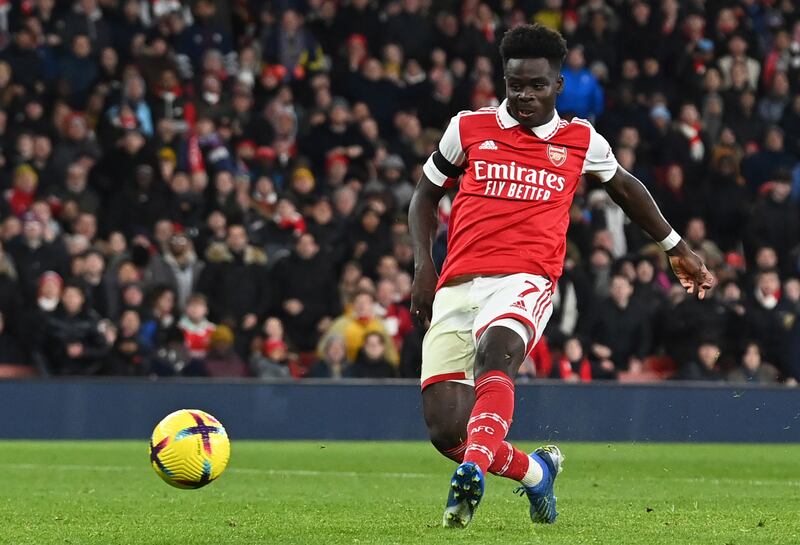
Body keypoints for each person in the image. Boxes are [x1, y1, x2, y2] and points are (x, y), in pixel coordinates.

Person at [408, 24, 714, 528]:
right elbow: (425, 194)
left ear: (557, 86)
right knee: (446, 429)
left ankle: (472, 473)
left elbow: (626, 188)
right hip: (458, 281)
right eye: (515, 85)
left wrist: (676, 247)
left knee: (498, 353)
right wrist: (424, 266)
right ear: (504, 82)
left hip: (526, 279)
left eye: (536, 86)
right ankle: (535, 472)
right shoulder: (467, 128)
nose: (525, 95)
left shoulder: (579, 139)